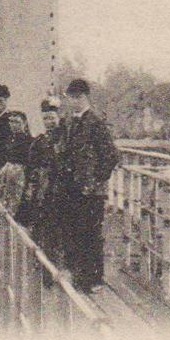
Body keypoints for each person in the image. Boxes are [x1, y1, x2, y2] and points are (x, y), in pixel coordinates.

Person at [51, 78, 119, 293]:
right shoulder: (70, 122)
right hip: (71, 188)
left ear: (84, 98)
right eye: (70, 98)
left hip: (91, 192)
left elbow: (111, 156)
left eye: (75, 98)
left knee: (90, 233)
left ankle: (93, 280)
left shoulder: (96, 123)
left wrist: (96, 180)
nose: (72, 102)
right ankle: (76, 275)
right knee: (71, 230)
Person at [21, 96, 63, 240]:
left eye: (52, 118)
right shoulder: (40, 141)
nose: (49, 122)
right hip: (43, 186)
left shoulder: (64, 139)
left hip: (60, 185)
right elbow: (31, 166)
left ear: (58, 117)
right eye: (45, 119)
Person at [0, 110, 34, 216]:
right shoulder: (9, 139)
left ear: (24, 123)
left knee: (15, 205)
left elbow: (30, 163)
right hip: (6, 175)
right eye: (11, 122)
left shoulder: (30, 141)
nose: (13, 125)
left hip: (19, 175)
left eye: (17, 122)